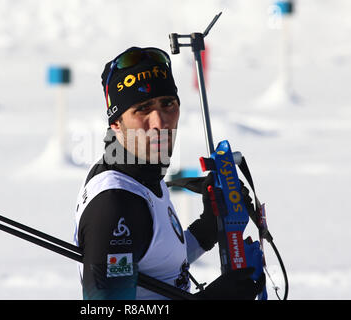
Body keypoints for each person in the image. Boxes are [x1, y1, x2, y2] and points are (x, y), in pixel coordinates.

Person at [73, 46, 265, 300]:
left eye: (167, 104)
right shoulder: (116, 205)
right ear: (116, 123)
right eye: (142, 109)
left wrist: (206, 229)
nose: (160, 122)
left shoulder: (142, 174)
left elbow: (160, 264)